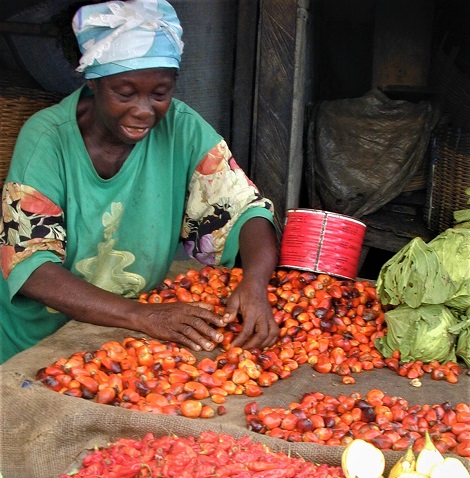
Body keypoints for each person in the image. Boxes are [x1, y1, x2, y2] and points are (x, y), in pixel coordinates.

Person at [0, 0, 280, 364]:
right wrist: (143, 315)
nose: (144, 110)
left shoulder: (181, 127)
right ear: (94, 83)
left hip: (125, 339)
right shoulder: (47, 138)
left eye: (159, 94)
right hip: (39, 343)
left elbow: (245, 207)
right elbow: (30, 265)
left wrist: (255, 281)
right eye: (125, 93)